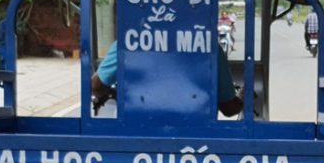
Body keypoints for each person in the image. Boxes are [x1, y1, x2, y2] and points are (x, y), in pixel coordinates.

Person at [91, 41, 244, 117]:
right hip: (196, 143)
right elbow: (229, 109)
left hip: (135, 138)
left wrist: (116, 93)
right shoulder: (209, 45)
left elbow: (96, 86)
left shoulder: (128, 41)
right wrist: (243, 96)